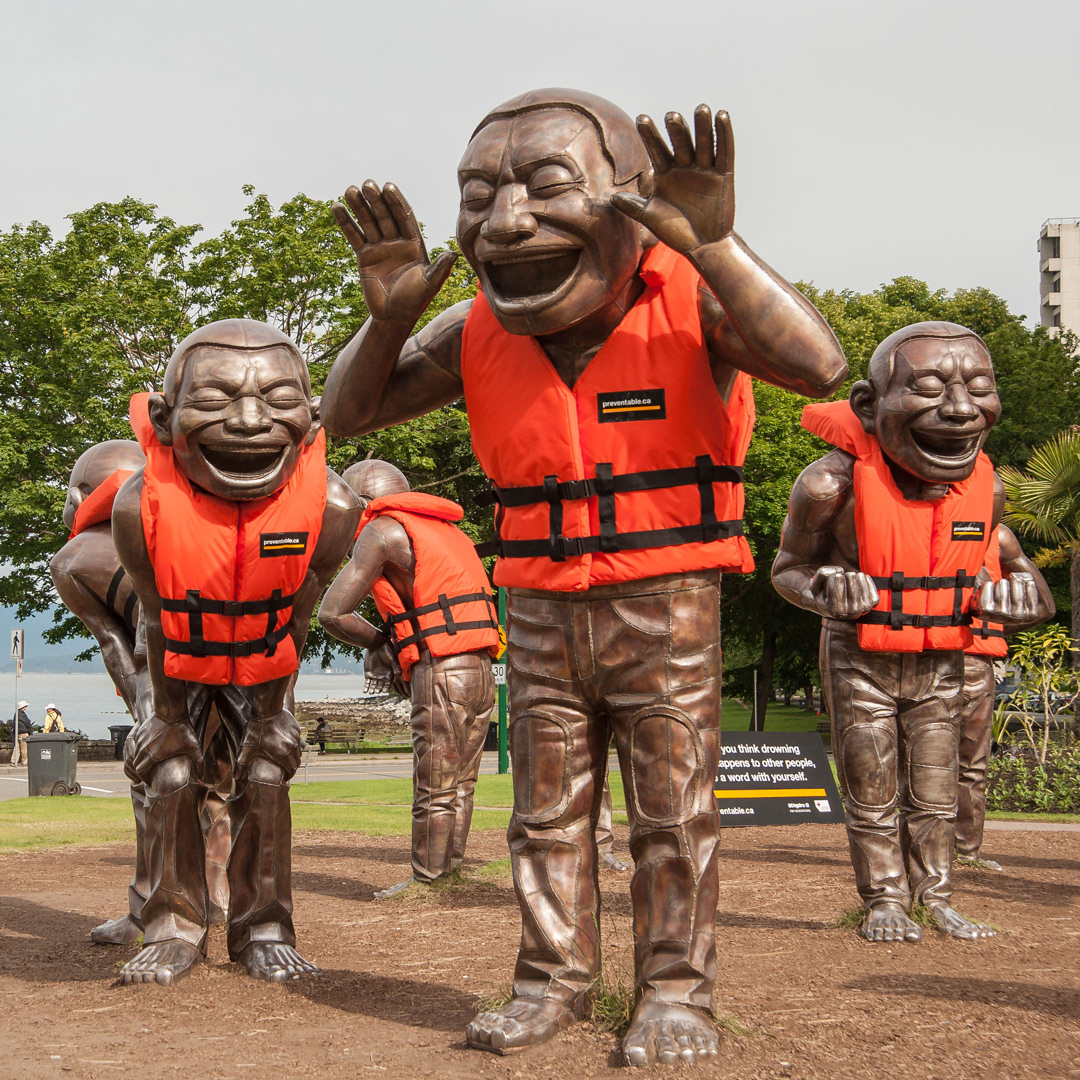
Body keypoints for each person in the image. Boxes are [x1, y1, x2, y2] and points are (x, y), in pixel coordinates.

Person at [321, 89, 847, 1064]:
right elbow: (348, 415)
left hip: (667, 602)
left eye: (546, 184)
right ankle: (550, 981)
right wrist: (389, 320)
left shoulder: (690, 297)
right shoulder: (478, 328)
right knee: (545, 815)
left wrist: (714, 247)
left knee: (672, 811)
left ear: (630, 199)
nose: (508, 217)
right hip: (539, 604)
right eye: (478, 194)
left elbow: (819, 364)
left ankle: (675, 991)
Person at [772, 322, 1054, 944]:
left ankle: (938, 896)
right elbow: (787, 569)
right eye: (928, 389)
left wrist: (1018, 598)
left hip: (944, 659)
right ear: (870, 406)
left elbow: (1033, 595)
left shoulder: (987, 492)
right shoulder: (828, 485)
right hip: (860, 655)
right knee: (871, 783)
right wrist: (826, 588)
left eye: (979, 388)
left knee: (935, 788)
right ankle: (883, 900)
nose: (958, 410)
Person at [110, 318, 360, 986]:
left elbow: (301, 609)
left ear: (310, 419)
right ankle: (172, 926)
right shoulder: (138, 508)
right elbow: (158, 618)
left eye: (278, 402)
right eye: (215, 402)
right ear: (164, 418)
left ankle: (265, 927)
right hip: (178, 656)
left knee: (267, 772)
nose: (251, 422)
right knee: (167, 774)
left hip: (263, 656)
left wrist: (277, 712)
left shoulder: (333, 506)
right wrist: (164, 718)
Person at [319, 459, 500, 897]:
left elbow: (332, 612)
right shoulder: (447, 530)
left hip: (440, 669)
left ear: (361, 501)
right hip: (480, 666)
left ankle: (428, 878)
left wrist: (384, 641)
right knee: (463, 783)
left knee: (434, 782)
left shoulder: (380, 531)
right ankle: (451, 869)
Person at [9, 701, 31, 766]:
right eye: (25, 706)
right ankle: (24, 761)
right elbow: (27, 723)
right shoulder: (22, 714)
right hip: (23, 732)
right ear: (23, 707)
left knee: (17, 748)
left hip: (17, 733)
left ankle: (13, 761)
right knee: (24, 748)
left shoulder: (16, 714)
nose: (26, 708)